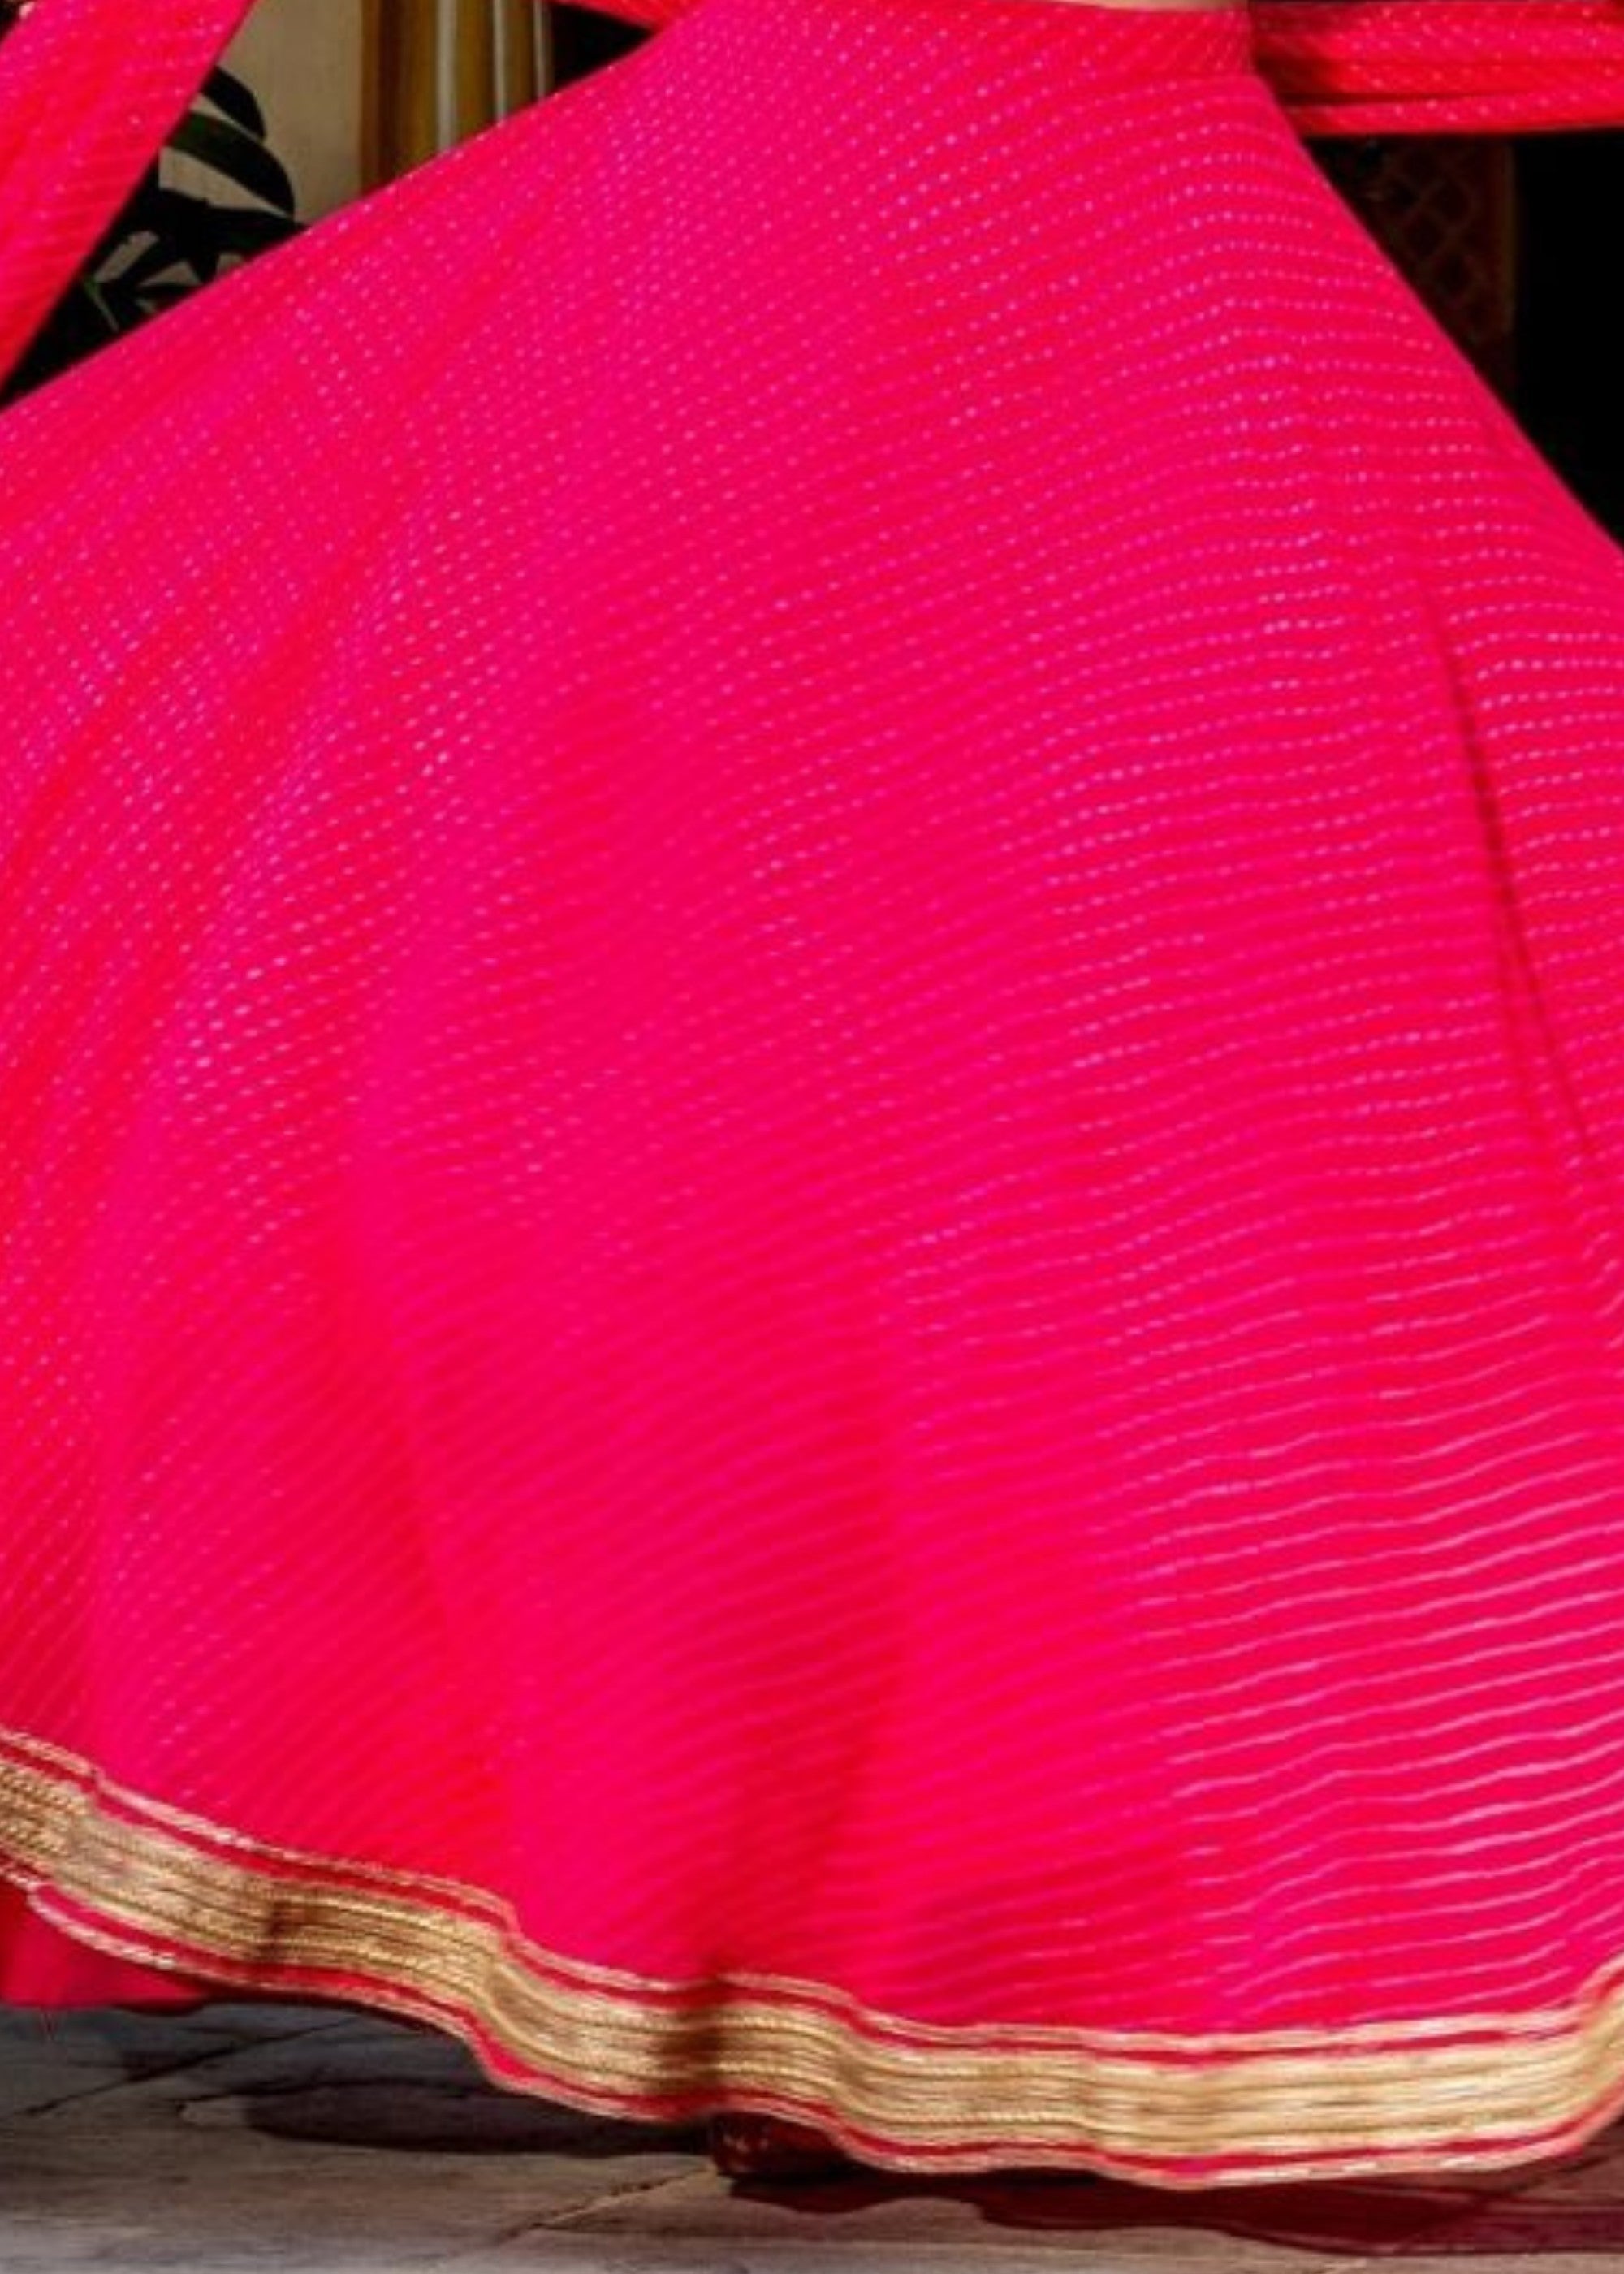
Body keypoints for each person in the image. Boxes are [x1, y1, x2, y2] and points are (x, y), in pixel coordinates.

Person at [6, 0, 1624, 2193]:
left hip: (1149, 240)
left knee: (1246, 1057)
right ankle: (815, 1933)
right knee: (771, 1097)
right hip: (814, 252)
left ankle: (1050, 1922)